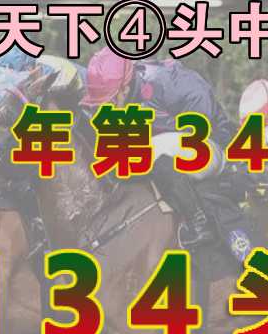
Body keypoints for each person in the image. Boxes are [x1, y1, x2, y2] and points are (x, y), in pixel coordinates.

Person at [80, 47, 236, 248]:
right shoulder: (126, 95)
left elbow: (203, 125)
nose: (103, 108)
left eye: (107, 100)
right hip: (172, 152)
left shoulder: (168, 82)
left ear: (124, 88)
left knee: (154, 149)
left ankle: (198, 221)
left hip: (213, 144)